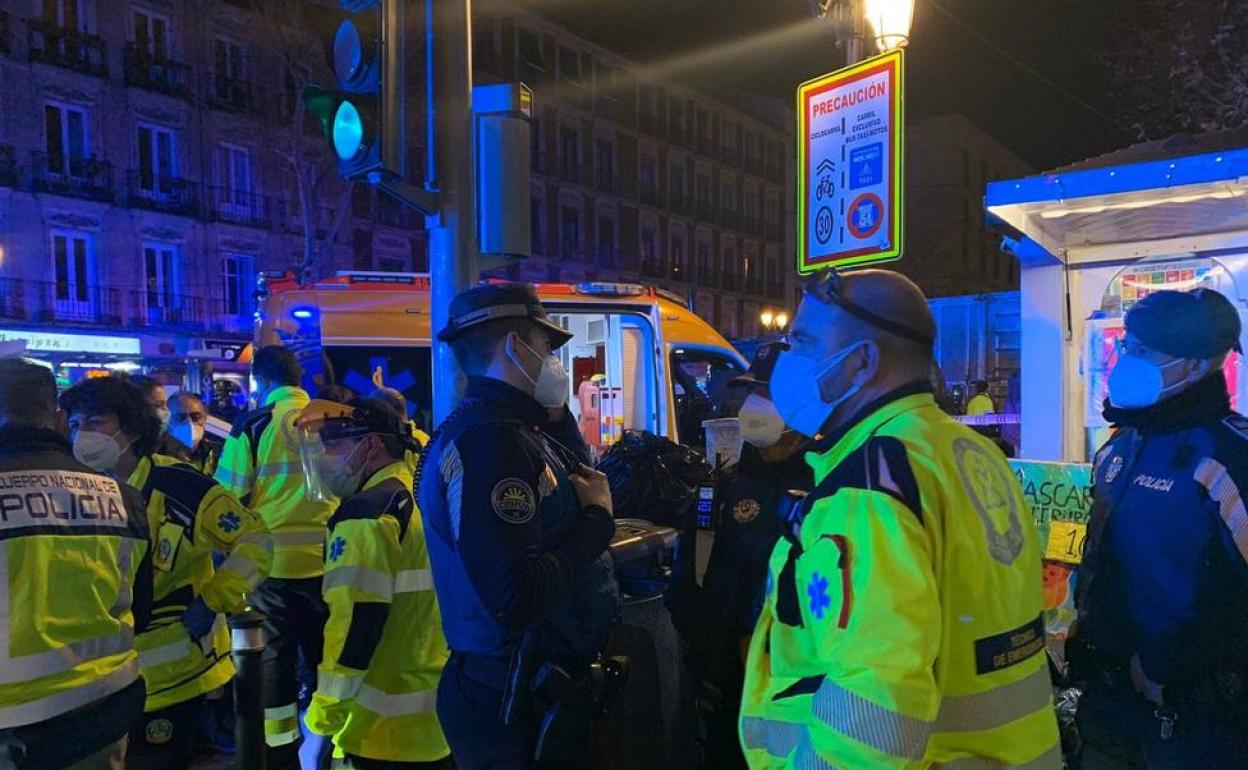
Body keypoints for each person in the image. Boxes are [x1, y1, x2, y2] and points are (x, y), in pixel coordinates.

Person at [739, 269, 1060, 769]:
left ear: (861, 361)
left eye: (803, 343)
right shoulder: (968, 450)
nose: (789, 359)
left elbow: (872, 708)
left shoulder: (869, 487)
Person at [417, 284, 619, 770]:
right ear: (514, 347)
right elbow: (515, 596)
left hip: (523, 686)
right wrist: (598, 523)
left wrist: (558, 417)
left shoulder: (507, 429)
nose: (554, 362)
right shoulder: (493, 443)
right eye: (547, 347)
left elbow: (578, 480)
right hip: (512, 695)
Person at [1071, 288, 1248, 768]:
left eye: (1144, 350)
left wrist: (1170, 663)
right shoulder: (1119, 447)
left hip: (1194, 724)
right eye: (1126, 345)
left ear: (1195, 366)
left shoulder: (1228, 458)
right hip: (1106, 707)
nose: (1127, 360)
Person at [59, 377, 273, 770]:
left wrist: (213, 601)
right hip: (100, 680)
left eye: (95, 421)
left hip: (174, 676)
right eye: (75, 424)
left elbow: (256, 541)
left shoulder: (181, 486)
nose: (82, 434)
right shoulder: (74, 491)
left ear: (131, 429)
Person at [0, 360, 153, 770]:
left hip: (10, 725)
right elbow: (141, 606)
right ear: (58, 418)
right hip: (100, 712)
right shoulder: (123, 496)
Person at [298, 399, 450, 769]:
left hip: (378, 735)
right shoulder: (421, 495)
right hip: (437, 721)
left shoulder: (365, 516)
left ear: (370, 445)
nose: (323, 457)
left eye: (332, 444)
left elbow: (353, 628)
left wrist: (321, 722)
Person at [214, 345, 335, 769]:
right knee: (328, 660)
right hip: (333, 562)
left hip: (272, 568)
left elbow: (227, 497)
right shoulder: (332, 418)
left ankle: (280, 754)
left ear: (262, 382)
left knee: (273, 664)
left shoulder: (253, 424)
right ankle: (328, 744)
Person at [700, 342, 813, 770]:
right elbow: (704, 576)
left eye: (769, 394)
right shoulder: (731, 482)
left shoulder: (825, 483)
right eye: (753, 392)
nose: (755, 405)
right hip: (729, 679)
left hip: (793, 679)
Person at [165, 391, 223, 476]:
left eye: (196, 417)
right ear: (167, 420)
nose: (189, 423)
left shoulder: (218, 455)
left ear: (205, 420)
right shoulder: (154, 456)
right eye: (181, 417)